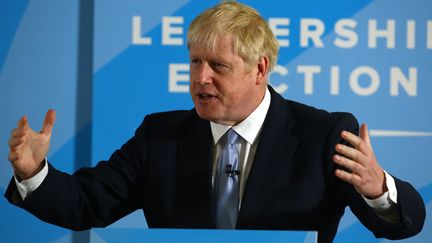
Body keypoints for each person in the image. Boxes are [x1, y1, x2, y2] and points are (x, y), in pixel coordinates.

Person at [5, 1, 425, 242]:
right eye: (194, 62)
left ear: (259, 69)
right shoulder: (160, 135)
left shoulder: (322, 135)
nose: (200, 78)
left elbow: (404, 225)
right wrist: (34, 173)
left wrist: (378, 189)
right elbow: (86, 203)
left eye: (217, 66)